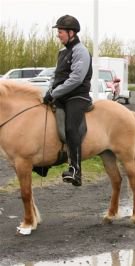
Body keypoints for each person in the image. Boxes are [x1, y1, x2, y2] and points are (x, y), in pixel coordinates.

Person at [43, 15, 93, 187]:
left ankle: (76, 170)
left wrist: (55, 92)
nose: (58, 35)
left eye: (61, 31)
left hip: (77, 96)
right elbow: (56, 76)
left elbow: (76, 78)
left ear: (71, 33)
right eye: (58, 31)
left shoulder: (81, 51)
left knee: (71, 128)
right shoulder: (63, 52)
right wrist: (49, 91)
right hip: (62, 96)